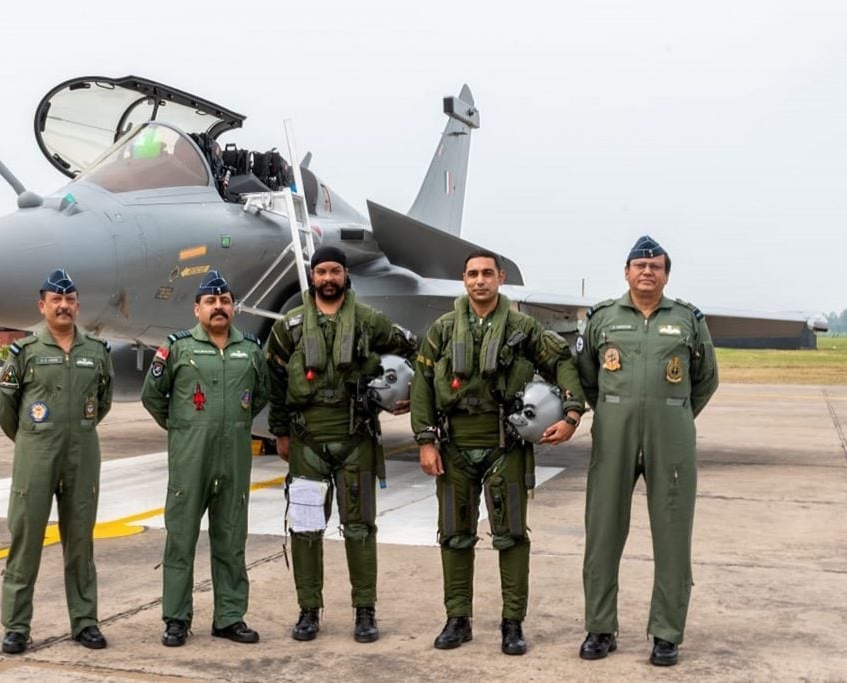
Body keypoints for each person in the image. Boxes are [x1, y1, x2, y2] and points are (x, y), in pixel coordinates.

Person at [411, 249, 586, 655]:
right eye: (472, 273)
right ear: (464, 279)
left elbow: (562, 364)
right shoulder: (443, 329)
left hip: (505, 447)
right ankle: (458, 620)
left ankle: (512, 623)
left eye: (487, 273)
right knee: (454, 536)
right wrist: (424, 440)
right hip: (454, 448)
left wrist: (572, 413)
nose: (479, 280)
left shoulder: (524, 328)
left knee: (510, 537)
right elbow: (422, 383)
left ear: (500, 278)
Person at [576, 235, 718, 667]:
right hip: (614, 433)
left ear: (666, 274)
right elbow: (586, 376)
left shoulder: (688, 319)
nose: (647, 272)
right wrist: (613, 411)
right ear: (626, 272)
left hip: (670, 436)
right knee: (602, 532)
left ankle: (667, 633)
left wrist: (673, 414)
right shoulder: (602, 318)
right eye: (639, 266)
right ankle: (600, 628)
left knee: (673, 537)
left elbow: (705, 378)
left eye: (655, 266)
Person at [266, 245, 416, 643]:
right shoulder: (291, 326)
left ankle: (365, 612)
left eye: (335, 271)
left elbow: (415, 352)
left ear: (346, 275)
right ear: (312, 277)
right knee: (305, 528)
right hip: (306, 442)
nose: (328, 279)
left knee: (360, 529)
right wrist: (279, 432)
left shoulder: (369, 322)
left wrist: (408, 394)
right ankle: (308, 611)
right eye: (321, 272)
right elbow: (275, 379)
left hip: (356, 439)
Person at [141, 270, 268, 647]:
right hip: (189, 461)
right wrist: (183, 429)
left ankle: (229, 617)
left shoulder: (250, 349)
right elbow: (153, 396)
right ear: (197, 309)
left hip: (233, 460)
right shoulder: (177, 348)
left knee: (231, 538)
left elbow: (260, 395)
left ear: (233, 309)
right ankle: (176, 619)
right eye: (211, 301)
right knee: (180, 540)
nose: (219, 307)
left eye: (225, 301)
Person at [0, 269, 114, 654]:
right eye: (56, 300)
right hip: (36, 455)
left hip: (82, 454)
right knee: (26, 538)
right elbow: (4, 409)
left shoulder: (96, 352)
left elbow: (103, 401)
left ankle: (85, 622)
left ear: (77, 305)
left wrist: (73, 432)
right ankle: (16, 627)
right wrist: (32, 439)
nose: (64, 306)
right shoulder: (25, 352)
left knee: (80, 540)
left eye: (71, 299)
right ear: (42, 305)